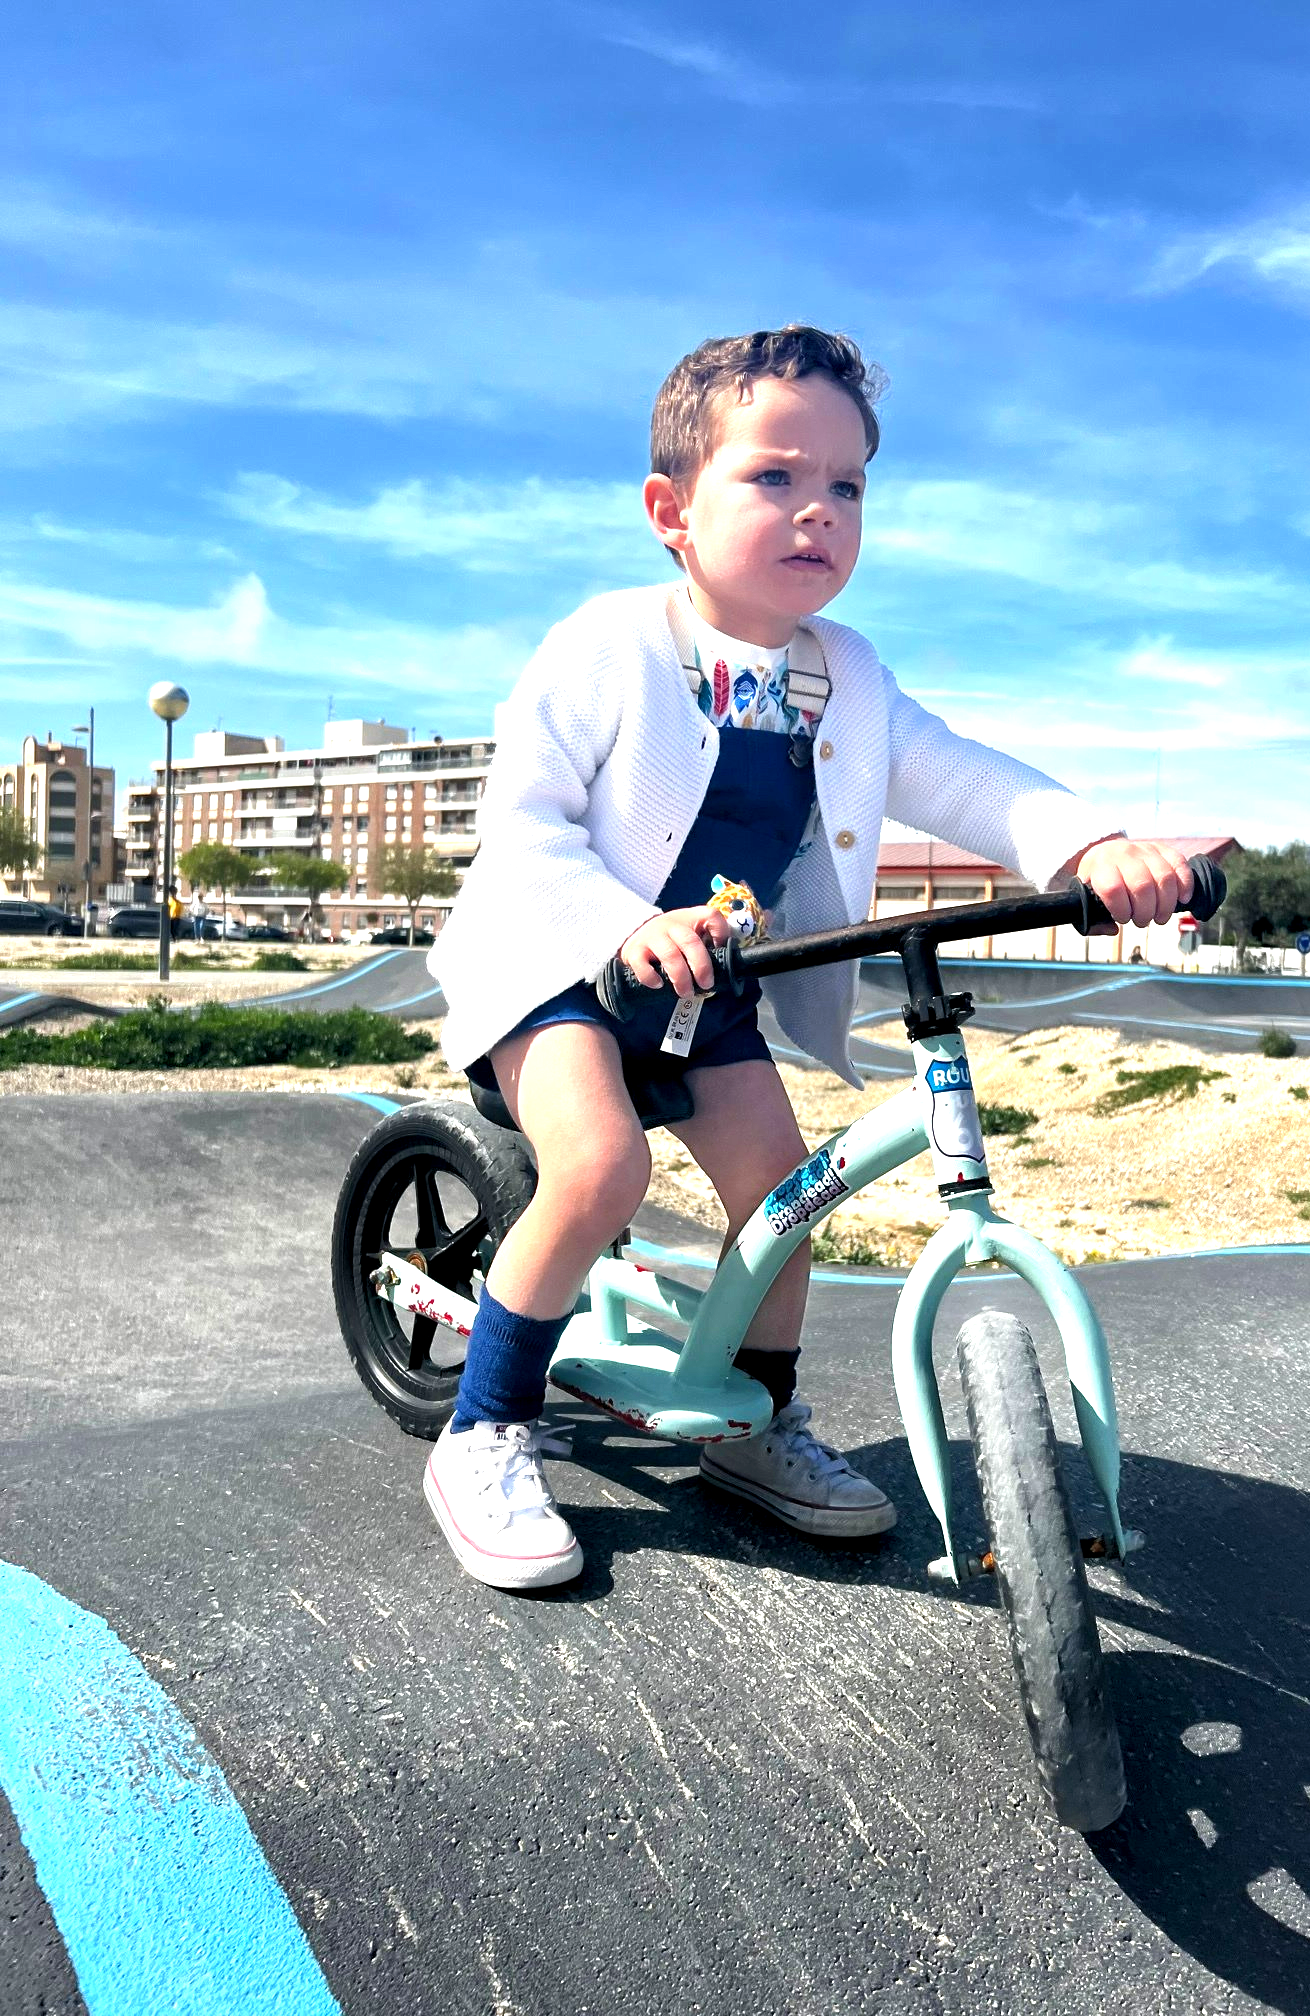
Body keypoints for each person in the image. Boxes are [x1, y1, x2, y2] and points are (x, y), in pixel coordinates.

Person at [425, 325, 1194, 1590]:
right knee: (601, 1166)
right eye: (775, 476)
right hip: (562, 969)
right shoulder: (609, 646)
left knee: (787, 1197)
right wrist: (625, 926)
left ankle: (761, 1421)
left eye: (847, 485)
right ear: (672, 511)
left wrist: (1091, 845)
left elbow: (963, 777)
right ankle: (487, 1430)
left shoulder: (848, 677)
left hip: (708, 995)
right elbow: (522, 827)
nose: (818, 510)